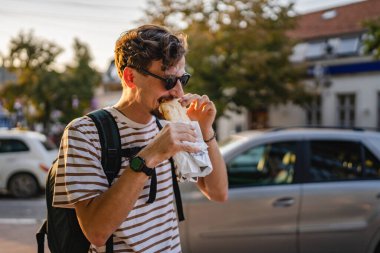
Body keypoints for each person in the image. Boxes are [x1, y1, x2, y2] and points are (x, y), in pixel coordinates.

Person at [52, 24, 228, 253]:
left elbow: (218, 192)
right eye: (167, 81)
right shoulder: (85, 133)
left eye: (181, 80)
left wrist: (205, 129)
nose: (178, 92)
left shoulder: (170, 124)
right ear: (130, 76)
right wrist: (149, 156)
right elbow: (96, 232)